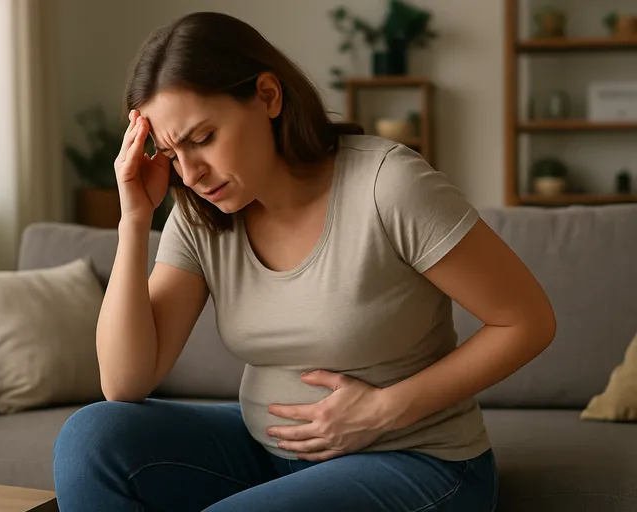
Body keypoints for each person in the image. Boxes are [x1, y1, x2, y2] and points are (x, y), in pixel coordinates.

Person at [53, 11, 556, 512]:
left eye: (203, 139)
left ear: (268, 96)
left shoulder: (387, 185)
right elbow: (124, 382)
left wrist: (383, 409)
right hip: (268, 454)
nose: (191, 174)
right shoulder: (201, 216)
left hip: (416, 461)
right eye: (170, 153)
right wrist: (134, 219)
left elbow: (527, 321)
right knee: (91, 439)